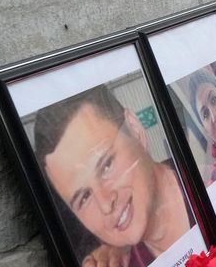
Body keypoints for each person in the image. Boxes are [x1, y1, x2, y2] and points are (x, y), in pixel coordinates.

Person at [34, 84, 193, 267]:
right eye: (84, 197)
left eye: (106, 165)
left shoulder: (214, 176)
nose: (105, 204)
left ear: (135, 129)